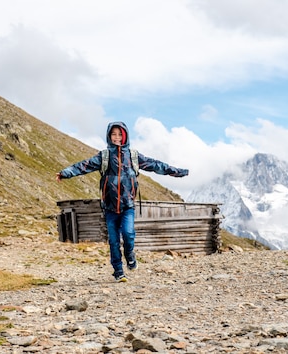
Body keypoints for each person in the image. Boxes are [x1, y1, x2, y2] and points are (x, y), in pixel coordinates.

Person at [56, 121, 189, 282]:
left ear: (125, 136)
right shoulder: (104, 156)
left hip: (128, 206)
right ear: (109, 136)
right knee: (113, 241)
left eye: (120, 134)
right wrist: (65, 173)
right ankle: (118, 271)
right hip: (110, 208)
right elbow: (84, 166)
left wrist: (178, 172)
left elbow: (155, 165)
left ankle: (130, 256)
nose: (117, 137)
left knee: (128, 234)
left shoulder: (133, 156)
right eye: (114, 134)